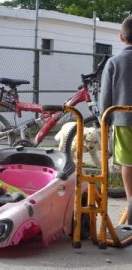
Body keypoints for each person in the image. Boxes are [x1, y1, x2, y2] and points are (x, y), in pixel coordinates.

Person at [100, 15, 132, 224]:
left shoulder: (114, 61)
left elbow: (105, 97)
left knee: (128, 162)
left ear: (122, 37)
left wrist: (105, 118)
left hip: (124, 120)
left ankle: (131, 201)